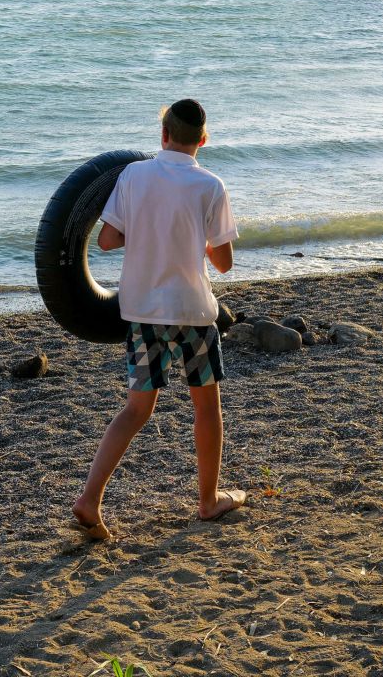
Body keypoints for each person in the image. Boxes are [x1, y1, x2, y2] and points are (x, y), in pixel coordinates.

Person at [72, 98, 245, 540]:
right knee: (206, 407)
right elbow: (223, 263)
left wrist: (146, 228)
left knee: (136, 410)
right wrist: (196, 239)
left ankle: (90, 499)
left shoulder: (132, 175)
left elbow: (108, 241)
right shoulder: (211, 186)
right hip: (192, 312)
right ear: (203, 140)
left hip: (142, 312)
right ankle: (208, 502)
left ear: (162, 134)